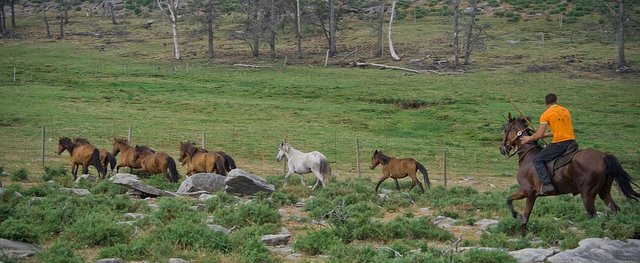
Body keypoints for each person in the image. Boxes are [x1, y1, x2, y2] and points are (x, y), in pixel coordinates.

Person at [520, 93, 577, 195]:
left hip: (559, 144)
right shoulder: (565, 111)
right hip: (572, 142)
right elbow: (557, 131)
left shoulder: (546, 114)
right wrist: (543, 135)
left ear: (545, 103)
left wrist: (529, 138)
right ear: (556, 101)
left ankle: (548, 184)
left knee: (537, 160)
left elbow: (540, 134)